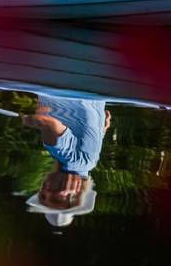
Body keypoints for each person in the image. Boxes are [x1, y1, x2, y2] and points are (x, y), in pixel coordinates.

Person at [21, 93, 111, 227]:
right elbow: (48, 122)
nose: (46, 191)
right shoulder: (69, 159)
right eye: (56, 199)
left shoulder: (89, 163)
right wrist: (28, 120)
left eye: (43, 197)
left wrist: (102, 129)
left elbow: (98, 129)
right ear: (75, 194)